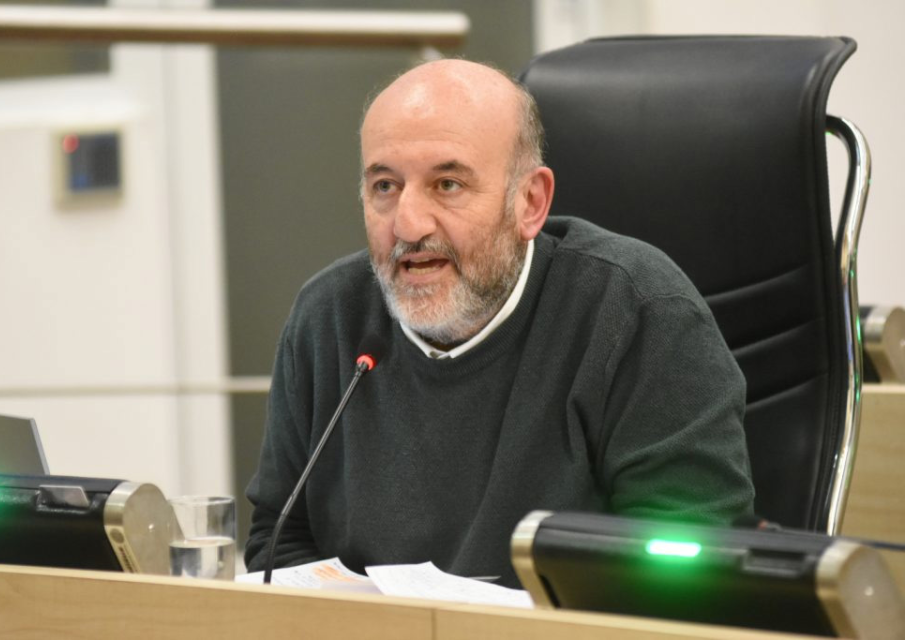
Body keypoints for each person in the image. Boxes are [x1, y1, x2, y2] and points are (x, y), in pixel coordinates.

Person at [245, 59, 754, 587]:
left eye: (447, 184)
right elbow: (279, 543)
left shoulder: (637, 311)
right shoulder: (327, 317)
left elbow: (697, 561)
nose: (408, 225)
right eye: (385, 186)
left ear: (530, 203)